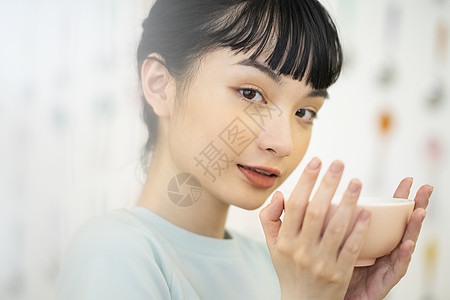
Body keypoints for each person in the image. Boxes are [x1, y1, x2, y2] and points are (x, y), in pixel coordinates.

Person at [56, 0, 433, 299]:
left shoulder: (277, 267)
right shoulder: (115, 251)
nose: (283, 142)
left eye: (304, 112)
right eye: (251, 93)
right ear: (159, 84)